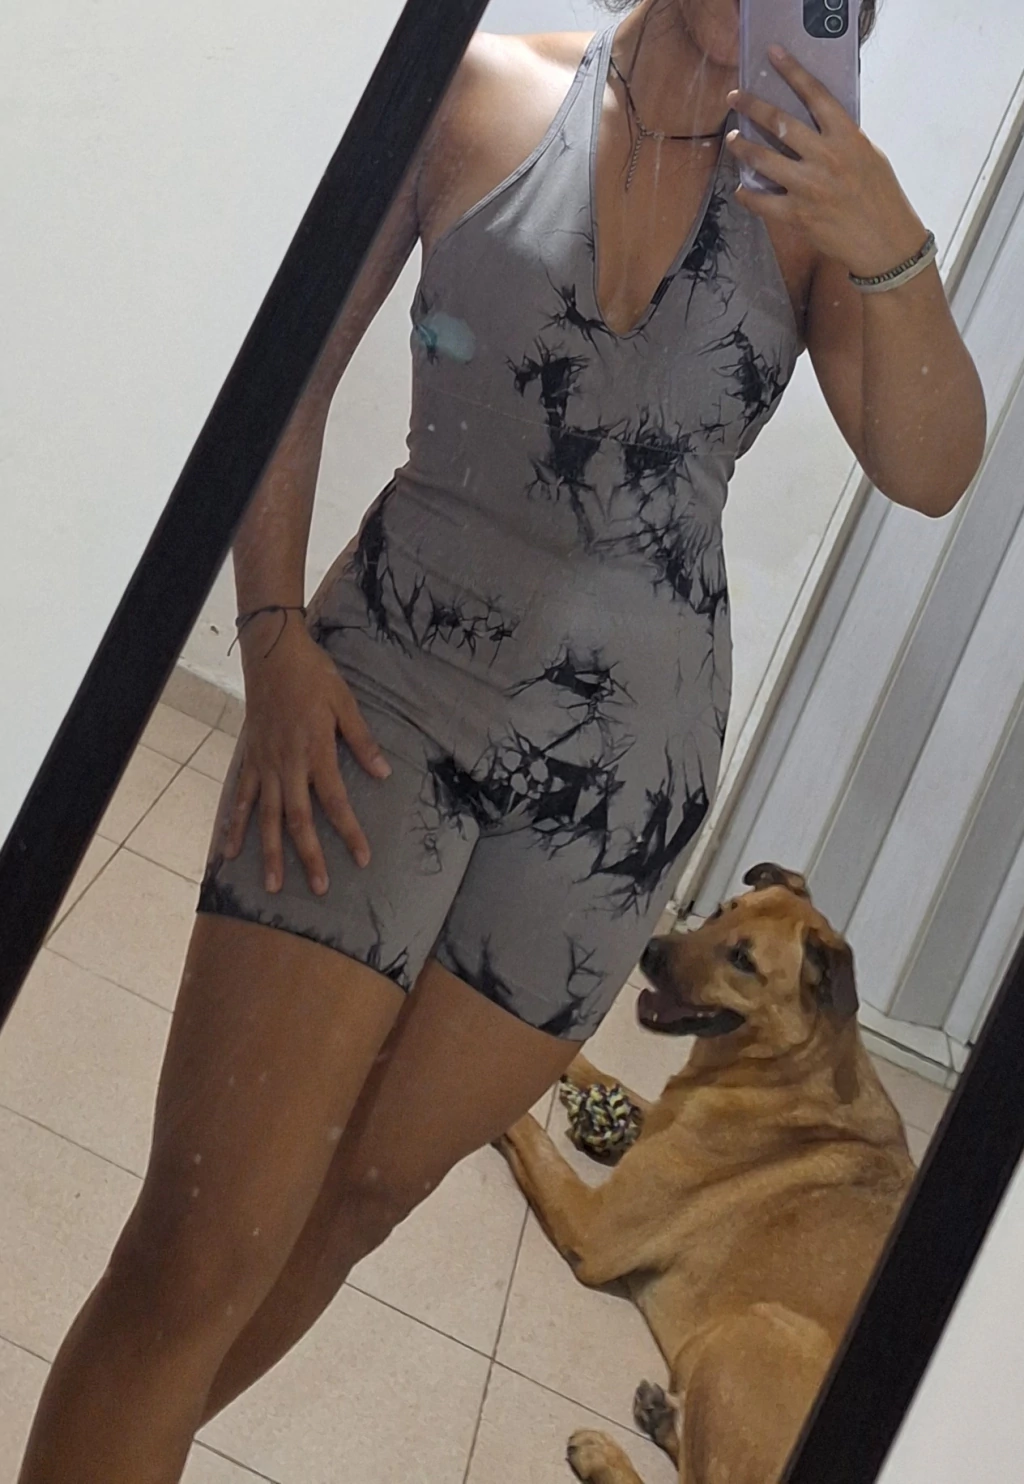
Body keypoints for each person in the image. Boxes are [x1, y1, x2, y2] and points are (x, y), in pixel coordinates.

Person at [18, 0, 985, 1478]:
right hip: (380, 696)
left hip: (614, 805)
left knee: (353, 1207)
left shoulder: (814, 204)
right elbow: (290, 373)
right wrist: (269, 635)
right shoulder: (474, 89)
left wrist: (891, 242)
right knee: (198, 1242)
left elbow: (934, 467)